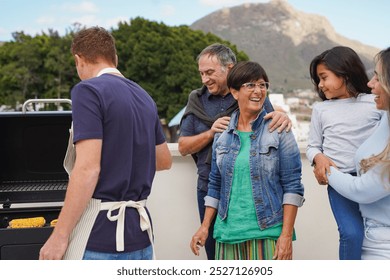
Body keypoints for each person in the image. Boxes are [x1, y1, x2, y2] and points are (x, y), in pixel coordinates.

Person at [39, 26, 172, 260]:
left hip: (99, 237)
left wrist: (59, 236)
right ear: (115, 58)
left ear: (79, 60)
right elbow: (163, 161)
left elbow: (88, 169)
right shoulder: (144, 96)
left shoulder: (88, 91)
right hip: (141, 238)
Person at [179, 43, 292, 259]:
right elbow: (183, 146)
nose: (204, 79)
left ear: (229, 68)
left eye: (209, 72)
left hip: (252, 187)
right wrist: (211, 133)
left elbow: (271, 128)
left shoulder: (252, 94)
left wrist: (282, 116)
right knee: (215, 253)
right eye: (201, 73)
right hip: (210, 187)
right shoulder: (196, 100)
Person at [306, 46, 383, 260]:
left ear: (344, 73)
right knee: (351, 233)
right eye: (318, 80)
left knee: (375, 237)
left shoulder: (374, 102)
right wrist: (318, 158)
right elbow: (312, 146)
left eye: (323, 77)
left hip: (372, 181)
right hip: (339, 183)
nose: (320, 85)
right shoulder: (321, 110)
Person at [327, 47, 390, 260]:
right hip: (370, 238)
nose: (370, 84)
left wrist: (326, 170)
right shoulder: (385, 118)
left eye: (378, 77)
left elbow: (362, 190)